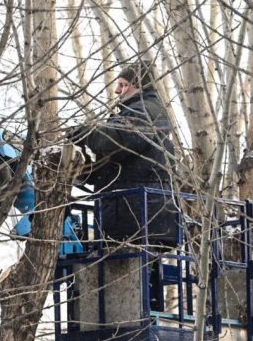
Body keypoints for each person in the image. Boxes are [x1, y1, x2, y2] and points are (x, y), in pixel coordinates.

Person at [76, 62, 178, 248]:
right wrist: (86, 172)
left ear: (141, 86)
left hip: (136, 217)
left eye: (123, 85)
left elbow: (119, 140)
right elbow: (119, 166)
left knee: (126, 263)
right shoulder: (140, 111)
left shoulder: (145, 110)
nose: (117, 91)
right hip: (135, 214)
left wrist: (86, 133)